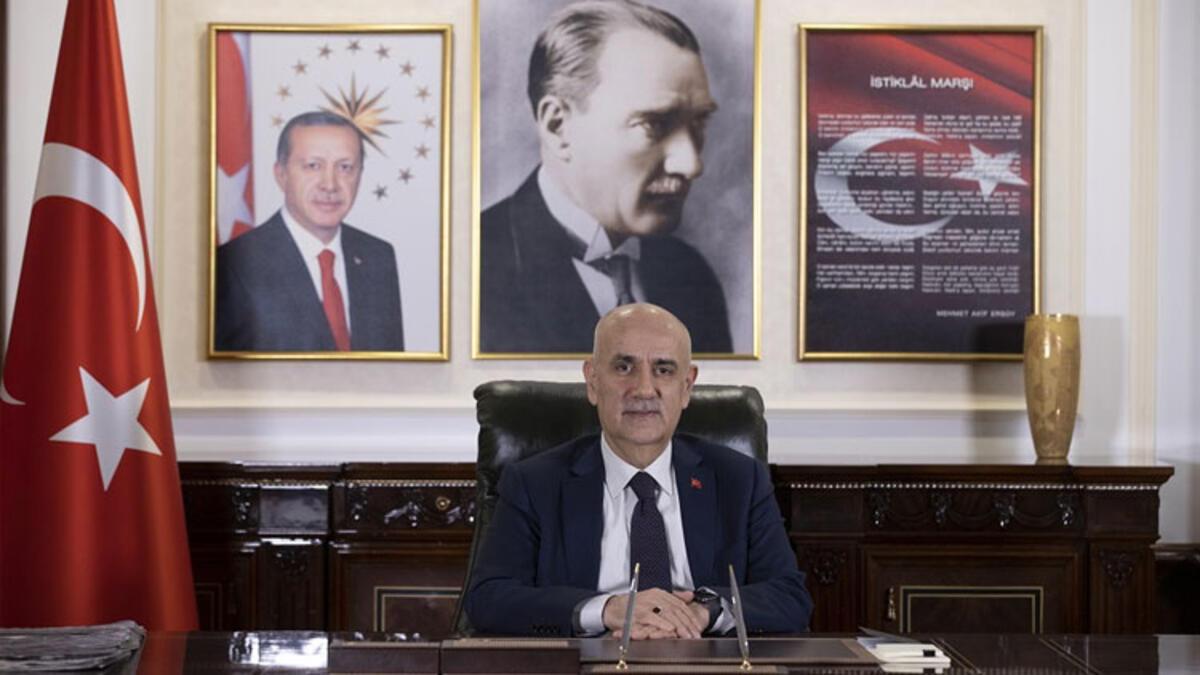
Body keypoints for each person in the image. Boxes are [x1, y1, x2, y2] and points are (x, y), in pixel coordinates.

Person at [464, 303, 810, 638]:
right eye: (623, 367)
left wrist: (702, 612)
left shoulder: (739, 480)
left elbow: (789, 597)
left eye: (664, 370)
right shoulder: (535, 483)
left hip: (702, 661)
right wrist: (607, 609)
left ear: (687, 386)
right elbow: (489, 598)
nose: (644, 389)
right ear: (593, 381)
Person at [480, 0, 732, 354]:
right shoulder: (472, 271)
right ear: (558, 127)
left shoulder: (690, 276)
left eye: (698, 123)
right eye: (654, 124)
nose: (691, 164)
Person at [214, 111, 404, 351]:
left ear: (360, 175)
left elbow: (390, 367)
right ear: (281, 174)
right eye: (313, 166)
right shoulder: (234, 265)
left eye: (345, 167)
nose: (330, 184)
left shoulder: (377, 257)